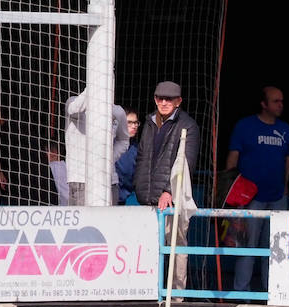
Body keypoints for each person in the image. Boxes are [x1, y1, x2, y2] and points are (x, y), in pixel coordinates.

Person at [133, 81, 200, 295]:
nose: (163, 102)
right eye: (160, 98)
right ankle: (148, 293)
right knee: (148, 247)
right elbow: (142, 158)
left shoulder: (188, 126)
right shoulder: (149, 123)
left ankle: (176, 295)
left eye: (169, 99)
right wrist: (140, 188)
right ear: (154, 99)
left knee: (176, 246)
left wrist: (168, 190)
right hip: (147, 198)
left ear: (178, 101)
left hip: (172, 201)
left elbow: (186, 164)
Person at [226, 86, 289, 292]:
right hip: (251, 198)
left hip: (277, 198)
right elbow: (233, 159)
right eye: (276, 101)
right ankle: (241, 296)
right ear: (263, 104)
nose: (280, 105)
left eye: (282, 101)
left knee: (274, 250)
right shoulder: (245, 126)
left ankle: (272, 294)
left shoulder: (285, 129)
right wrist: (229, 189)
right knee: (248, 248)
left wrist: (286, 187)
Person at [63, 90, 129, 205]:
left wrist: (109, 158)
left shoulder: (117, 111)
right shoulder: (74, 102)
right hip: (81, 180)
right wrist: (93, 86)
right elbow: (74, 109)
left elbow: (123, 140)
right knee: (84, 222)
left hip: (109, 180)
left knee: (108, 222)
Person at [115, 106, 141, 204]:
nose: (134, 126)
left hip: (127, 200)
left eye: (136, 123)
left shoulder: (136, 149)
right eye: (129, 122)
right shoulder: (109, 147)